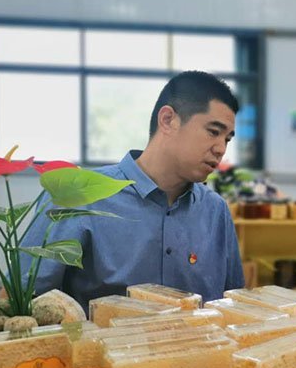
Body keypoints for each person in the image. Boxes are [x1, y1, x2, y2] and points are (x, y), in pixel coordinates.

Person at [21, 70, 245, 311]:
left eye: (227, 139)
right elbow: (22, 301)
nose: (221, 149)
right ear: (168, 120)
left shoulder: (215, 211)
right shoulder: (78, 194)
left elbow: (233, 306)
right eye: (213, 132)